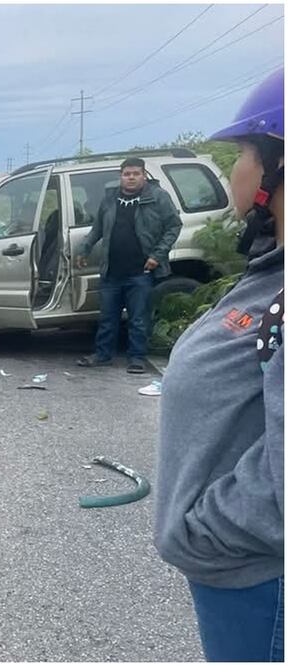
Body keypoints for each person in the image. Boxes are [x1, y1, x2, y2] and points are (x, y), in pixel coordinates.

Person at [154, 67, 283, 663]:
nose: (234, 169)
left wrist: (206, 530)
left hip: (261, 581)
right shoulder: (273, 274)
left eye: (243, 154)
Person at [75, 157, 182, 374]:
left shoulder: (157, 197)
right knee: (107, 317)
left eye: (136, 173)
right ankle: (103, 355)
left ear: (144, 175)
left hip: (141, 271)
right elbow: (97, 229)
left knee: (138, 318)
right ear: (120, 176)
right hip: (111, 270)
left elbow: (174, 226)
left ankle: (137, 358)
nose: (131, 177)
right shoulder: (110, 199)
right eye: (126, 174)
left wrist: (157, 255)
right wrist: (84, 249)